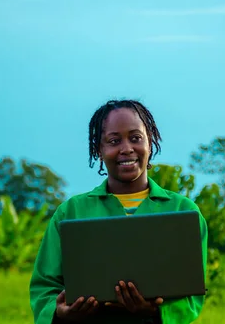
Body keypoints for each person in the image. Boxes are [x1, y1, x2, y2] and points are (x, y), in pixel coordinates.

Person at [29, 99, 208, 324]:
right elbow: (44, 287)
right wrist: (60, 313)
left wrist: (154, 312)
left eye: (136, 138)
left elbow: (192, 294)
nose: (126, 149)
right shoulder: (71, 212)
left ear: (150, 142)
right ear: (99, 149)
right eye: (114, 141)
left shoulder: (183, 211)